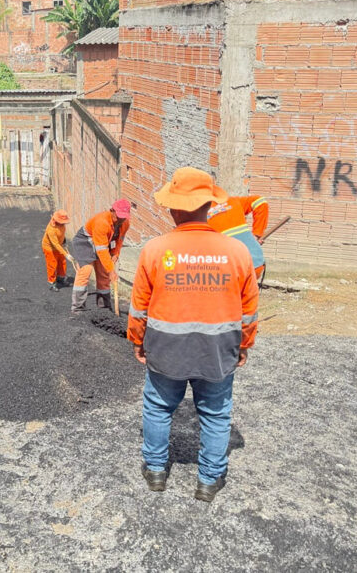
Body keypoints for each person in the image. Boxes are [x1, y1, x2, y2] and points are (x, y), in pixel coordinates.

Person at [127, 168, 259, 502]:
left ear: (173, 208)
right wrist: (244, 344)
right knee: (216, 414)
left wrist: (137, 340)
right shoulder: (237, 252)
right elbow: (249, 310)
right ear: (209, 206)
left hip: (166, 348)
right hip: (217, 349)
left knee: (158, 408)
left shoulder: (154, 250)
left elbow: (139, 306)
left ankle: (156, 471)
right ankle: (208, 482)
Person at [70, 199, 131, 312]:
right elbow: (102, 251)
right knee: (85, 271)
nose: (121, 220)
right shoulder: (102, 222)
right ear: (112, 211)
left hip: (103, 244)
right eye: (119, 216)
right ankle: (78, 308)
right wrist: (111, 270)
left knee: (103, 274)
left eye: (124, 217)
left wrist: (115, 254)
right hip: (85, 242)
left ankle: (104, 308)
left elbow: (119, 240)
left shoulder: (125, 223)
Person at [207, 195, 269, 280]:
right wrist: (256, 235)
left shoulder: (197, 214)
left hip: (230, 272)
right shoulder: (232, 201)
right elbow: (260, 201)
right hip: (256, 265)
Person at [42, 210, 71, 292]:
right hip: (50, 248)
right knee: (52, 265)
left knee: (62, 262)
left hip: (59, 246)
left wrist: (64, 241)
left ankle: (60, 278)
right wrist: (66, 254)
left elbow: (62, 234)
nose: (64, 223)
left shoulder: (62, 225)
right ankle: (52, 283)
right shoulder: (51, 229)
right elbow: (55, 244)